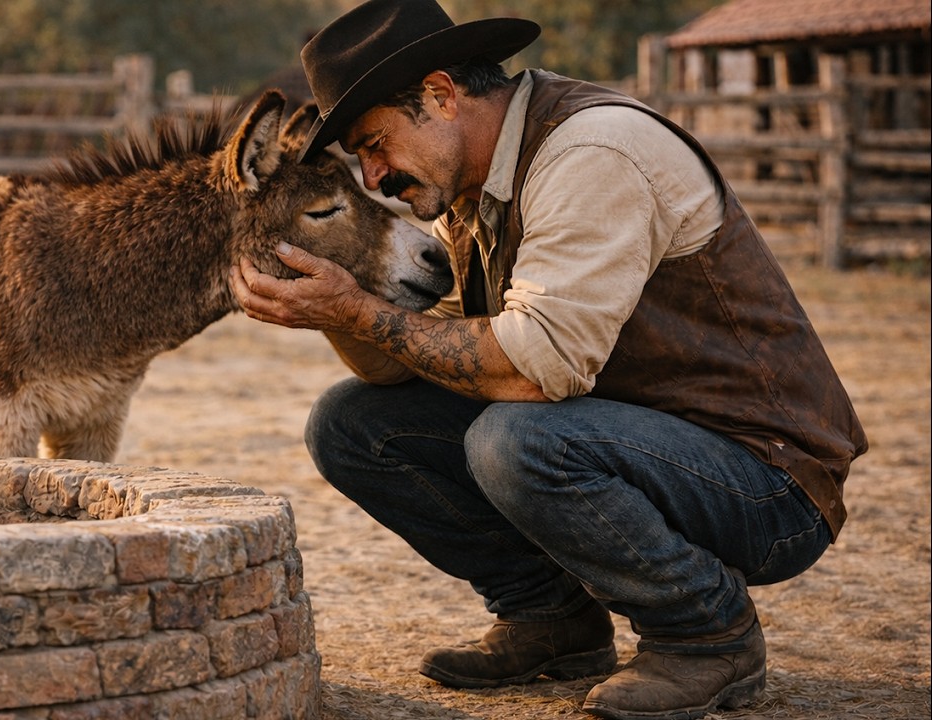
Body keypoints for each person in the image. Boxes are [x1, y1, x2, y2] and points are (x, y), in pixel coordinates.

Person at [227, 0, 869, 718]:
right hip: (636, 442)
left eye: (376, 144)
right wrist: (330, 309)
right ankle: (552, 621)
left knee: (515, 439)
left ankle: (705, 637)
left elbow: (535, 372)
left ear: (440, 95)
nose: (374, 177)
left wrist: (356, 311)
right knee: (352, 423)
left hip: (767, 482)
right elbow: (410, 360)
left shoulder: (592, 151)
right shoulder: (469, 186)